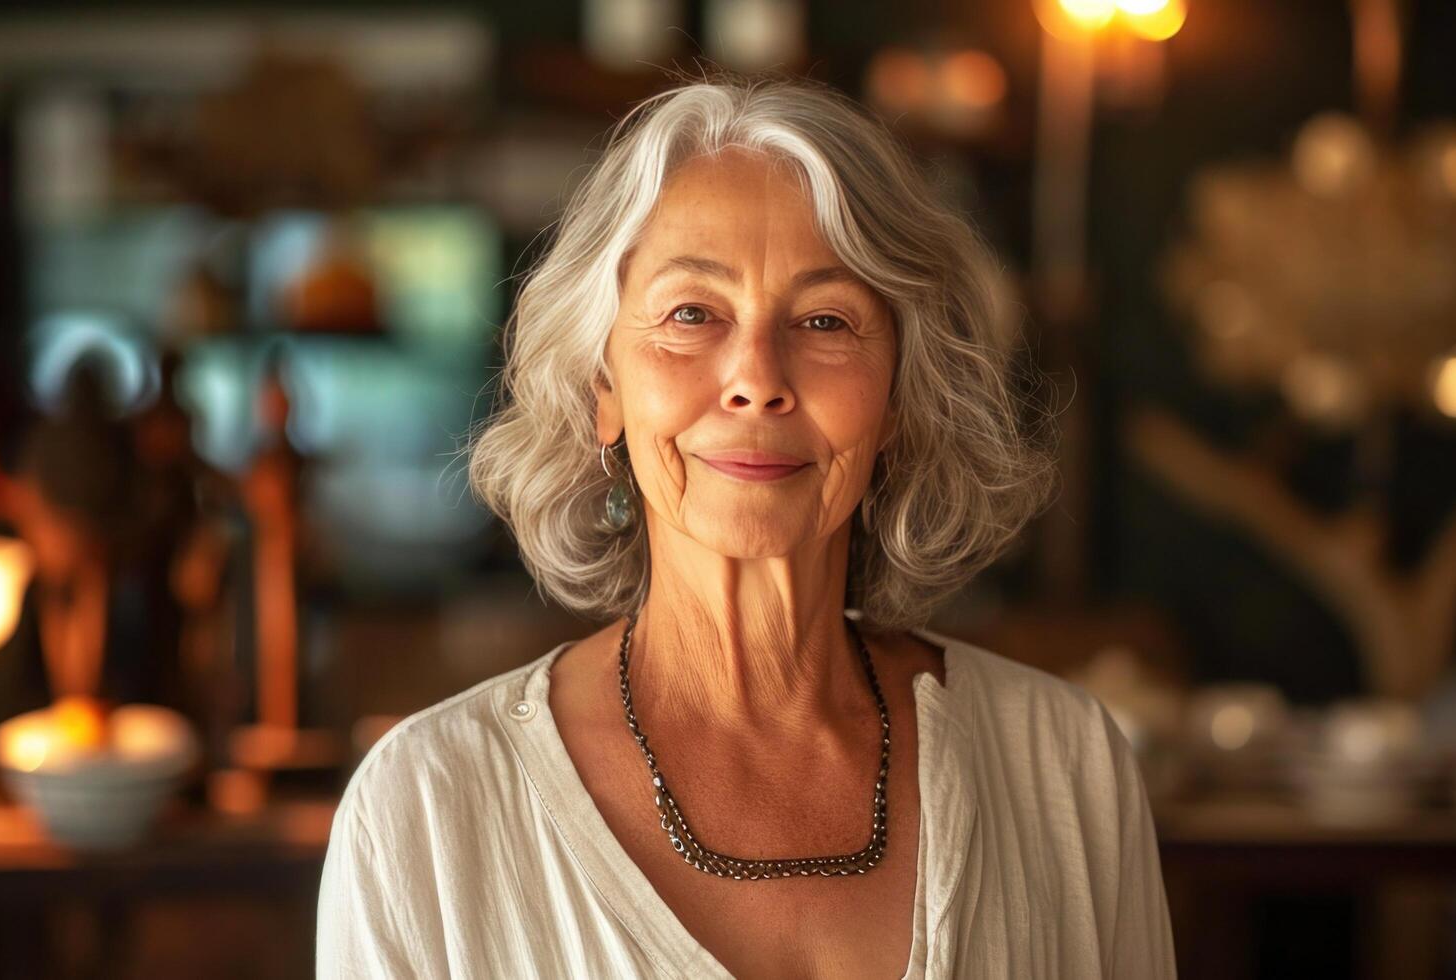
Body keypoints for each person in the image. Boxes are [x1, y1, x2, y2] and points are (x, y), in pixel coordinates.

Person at [318, 74, 1176, 979]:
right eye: (691, 314)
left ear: (898, 396)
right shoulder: (426, 807)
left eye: (825, 319)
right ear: (600, 387)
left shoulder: (1064, 768)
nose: (756, 377)